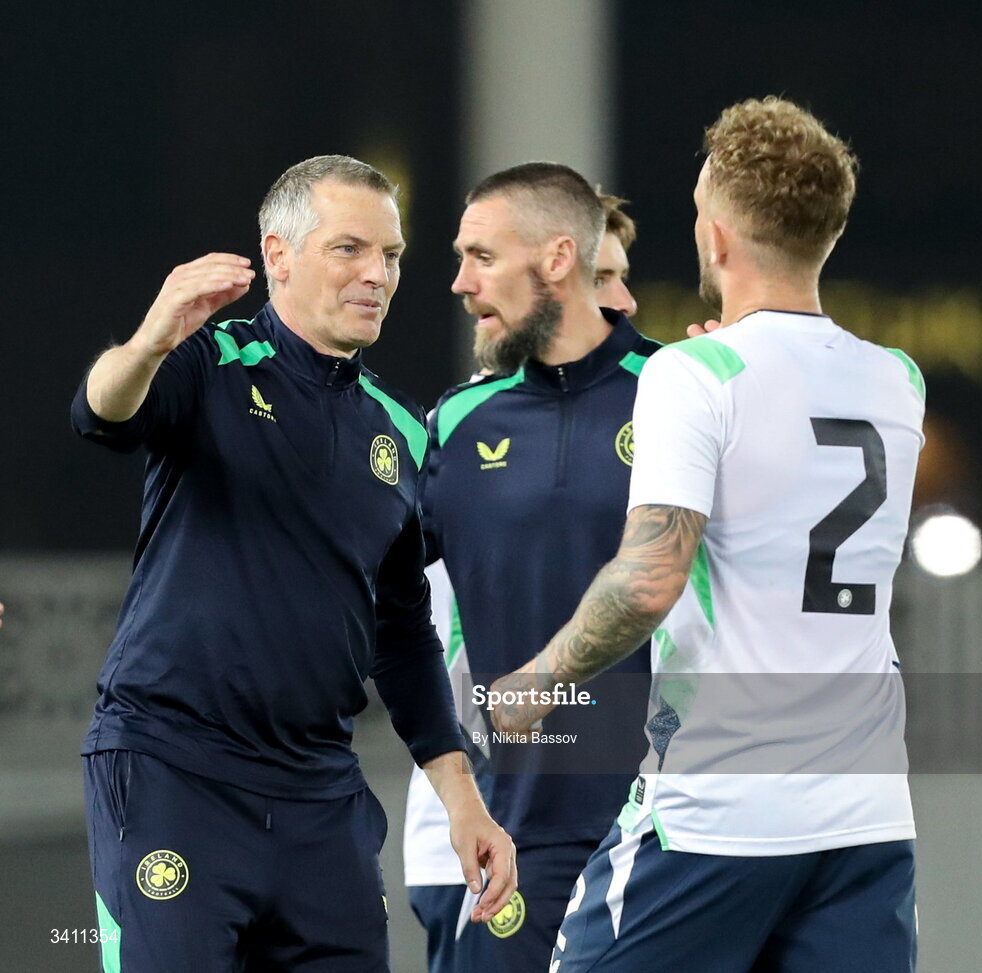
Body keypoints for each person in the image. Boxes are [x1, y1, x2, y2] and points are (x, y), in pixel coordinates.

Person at [492, 97, 924, 972]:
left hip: (722, 809)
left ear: (718, 236)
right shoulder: (898, 379)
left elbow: (648, 581)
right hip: (866, 819)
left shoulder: (697, 371)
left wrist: (532, 684)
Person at [71, 155, 515, 972]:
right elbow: (102, 413)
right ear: (278, 255)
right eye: (350, 249)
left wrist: (463, 797)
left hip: (319, 790)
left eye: (390, 255)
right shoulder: (209, 362)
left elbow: (403, 629)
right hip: (175, 769)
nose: (377, 274)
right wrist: (151, 337)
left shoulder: (401, 429)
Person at [410, 166, 657, 972]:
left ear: (556, 259)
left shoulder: (678, 391)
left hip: (669, 824)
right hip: (516, 832)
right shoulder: (458, 418)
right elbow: (364, 583)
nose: (459, 281)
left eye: (480, 256)